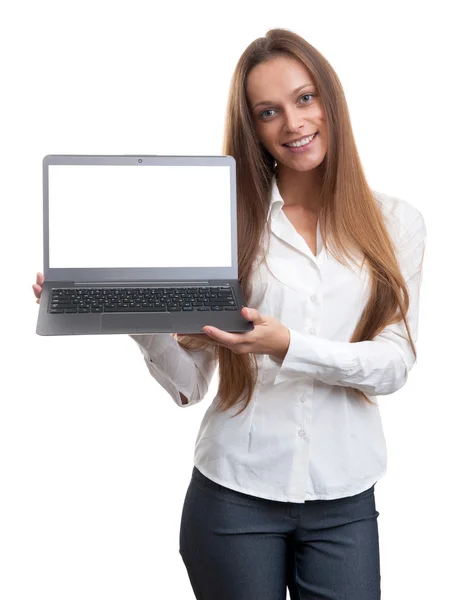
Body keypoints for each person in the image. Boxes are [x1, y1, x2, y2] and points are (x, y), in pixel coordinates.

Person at [32, 28, 427, 600]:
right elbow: (191, 384)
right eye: (269, 111)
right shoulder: (226, 225)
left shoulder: (397, 224)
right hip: (233, 496)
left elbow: (393, 366)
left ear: (330, 99)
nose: (292, 123)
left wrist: (286, 344)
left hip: (345, 498)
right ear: (254, 127)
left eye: (305, 98)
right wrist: (130, 307)